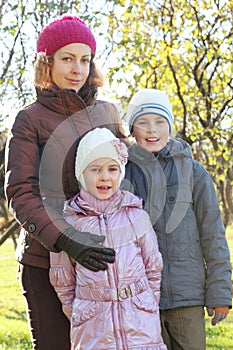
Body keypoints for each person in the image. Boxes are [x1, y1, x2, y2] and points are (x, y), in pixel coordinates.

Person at [4, 14, 128, 350]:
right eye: (67, 58)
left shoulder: (108, 113)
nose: (77, 69)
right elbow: (20, 191)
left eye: (85, 60)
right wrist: (67, 239)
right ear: (48, 62)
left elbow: (127, 181)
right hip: (45, 261)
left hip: (102, 258)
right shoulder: (29, 119)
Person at [122, 88, 232, 350]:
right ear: (131, 129)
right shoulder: (121, 173)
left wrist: (220, 291)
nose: (152, 130)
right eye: (143, 122)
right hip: (140, 297)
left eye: (160, 121)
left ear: (170, 125)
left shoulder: (194, 173)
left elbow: (213, 234)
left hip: (187, 297)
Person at [49, 127, 167, 350]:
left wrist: (147, 302)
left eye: (112, 169)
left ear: (120, 174)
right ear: (82, 174)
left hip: (141, 327)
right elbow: (63, 280)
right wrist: (79, 311)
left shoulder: (137, 217)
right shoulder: (69, 223)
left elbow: (153, 267)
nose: (105, 177)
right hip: (94, 330)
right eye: (95, 169)